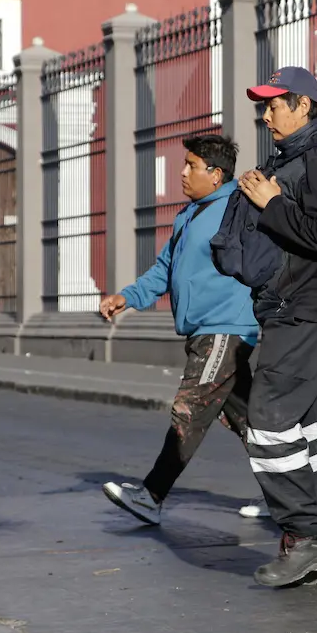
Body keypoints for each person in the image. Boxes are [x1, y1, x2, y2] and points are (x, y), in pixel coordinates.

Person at [233, 66, 317, 587]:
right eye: (263, 105)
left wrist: (273, 204)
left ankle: (304, 539)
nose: (266, 115)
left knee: (264, 422)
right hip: (298, 313)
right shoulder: (296, 157)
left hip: (306, 314)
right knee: (315, 435)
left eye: (275, 104)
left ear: (304, 105)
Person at [99, 134, 257, 525]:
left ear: (216, 175)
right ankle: (294, 495)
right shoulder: (190, 215)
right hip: (202, 330)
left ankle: (151, 495)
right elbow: (165, 270)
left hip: (226, 328)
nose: (182, 173)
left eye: (191, 166)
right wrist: (128, 297)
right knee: (255, 423)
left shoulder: (238, 208)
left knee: (190, 408)